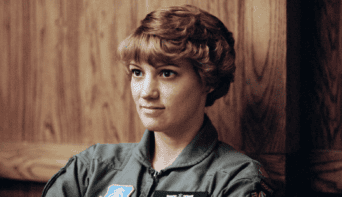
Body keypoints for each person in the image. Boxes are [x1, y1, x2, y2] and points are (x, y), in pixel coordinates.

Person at [42, 4, 274, 197]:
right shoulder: (91, 168)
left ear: (208, 80)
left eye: (166, 73)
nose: (146, 92)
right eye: (137, 72)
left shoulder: (236, 180)